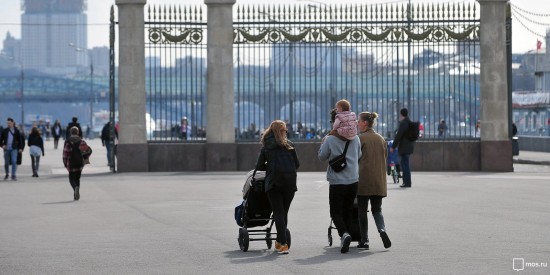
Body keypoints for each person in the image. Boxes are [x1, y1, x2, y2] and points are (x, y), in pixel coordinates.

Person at [318, 109, 362, 253]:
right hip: (353, 180)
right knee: (348, 210)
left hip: (337, 182)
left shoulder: (330, 139)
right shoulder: (355, 138)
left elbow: (322, 157)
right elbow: (359, 155)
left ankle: (344, 234)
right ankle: (347, 235)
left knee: (335, 212)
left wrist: (324, 142)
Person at [254, 120, 300, 254]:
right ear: (282, 131)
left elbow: (259, 167)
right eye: (284, 130)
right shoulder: (290, 145)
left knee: (278, 212)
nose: (286, 132)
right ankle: (280, 242)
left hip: (274, 183)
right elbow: (297, 164)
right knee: (283, 212)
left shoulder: (267, 146)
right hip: (290, 183)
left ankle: (283, 243)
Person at [356, 112, 392, 250]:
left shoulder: (360, 139)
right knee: (377, 209)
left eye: (359, 121)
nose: (358, 123)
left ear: (365, 122)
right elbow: (385, 157)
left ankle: (364, 240)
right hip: (379, 180)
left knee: (362, 210)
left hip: (364, 179)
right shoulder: (381, 139)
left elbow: (355, 158)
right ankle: (382, 230)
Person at [63, 127, 92, 201]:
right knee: (77, 178)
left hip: (71, 163)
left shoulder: (68, 142)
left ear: (71, 132)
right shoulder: (81, 141)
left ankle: (75, 188)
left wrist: (65, 162)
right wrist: (85, 157)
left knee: (71, 179)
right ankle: (76, 194)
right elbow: (89, 150)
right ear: (78, 132)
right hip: (80, 163)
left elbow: (65, 153)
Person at [391, 108, 416, 188]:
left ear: (401, 114)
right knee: (406, 164)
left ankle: (407, 183)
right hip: (409, 146)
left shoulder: (403, 123)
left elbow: (398, 136)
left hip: (404, 147)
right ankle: (407, 182)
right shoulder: (410, 122)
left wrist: (393, 146)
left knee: (405, 165)